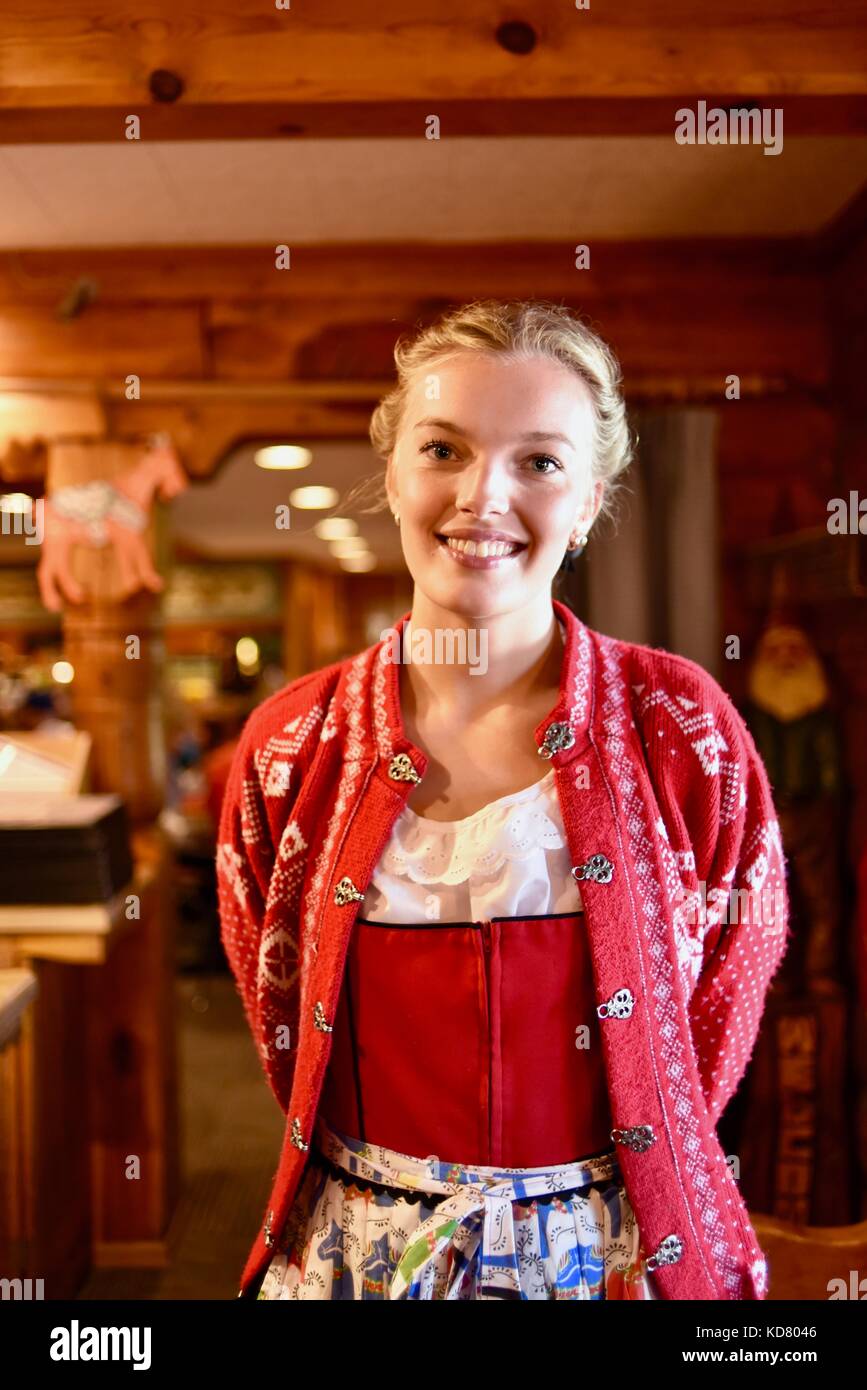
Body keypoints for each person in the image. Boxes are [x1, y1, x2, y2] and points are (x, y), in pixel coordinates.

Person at [216, 299, 791, 1301]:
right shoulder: (290, 744)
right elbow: (277, 1010)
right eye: (444, 448)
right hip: (355, 1250)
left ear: (591, 501)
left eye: (539, 461)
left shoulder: (681, 725)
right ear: (392, 471)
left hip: (610, 1254)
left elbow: (717, 1013)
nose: (484, 496)